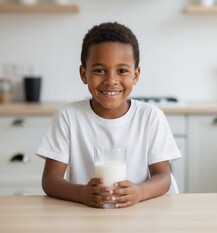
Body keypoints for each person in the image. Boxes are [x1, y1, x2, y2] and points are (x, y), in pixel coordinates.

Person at [36, 22, 181, 208]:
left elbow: (163, 177)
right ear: (83, 74)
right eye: (99, 70)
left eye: (122, 71)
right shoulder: (68, 117)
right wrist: (81, 193)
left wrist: (139, 192)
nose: (111, 80)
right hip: (84, 215)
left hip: (138, 215)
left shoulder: (150, 117)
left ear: (135, 75)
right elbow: (50, 180)